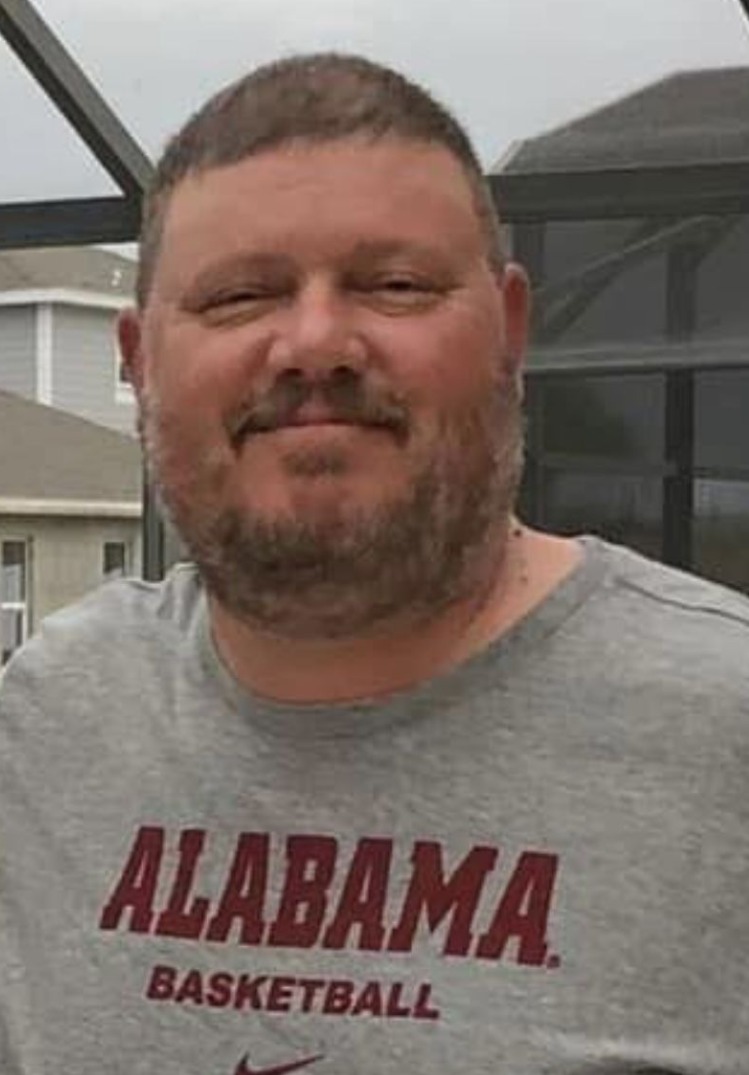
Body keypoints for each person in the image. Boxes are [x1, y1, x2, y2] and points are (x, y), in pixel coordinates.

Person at [1, 53, 748, 1075]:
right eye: (238, 296)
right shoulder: (46, 722)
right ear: (137, 362)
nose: (313, 343)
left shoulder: (723, 729)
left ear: (509, 332)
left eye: (393, 284)